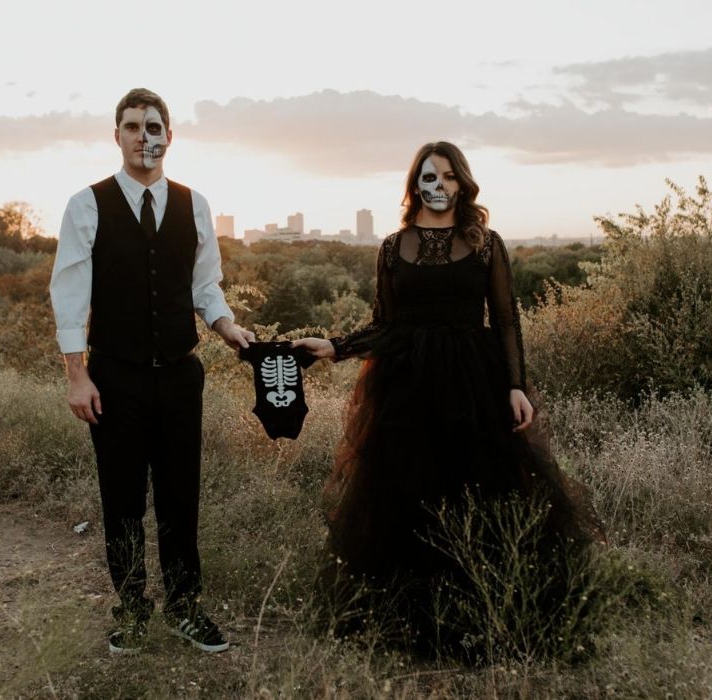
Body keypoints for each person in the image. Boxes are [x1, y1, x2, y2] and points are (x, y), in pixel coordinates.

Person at [293, 142, 603, 653]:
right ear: (414, 185)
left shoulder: (486, 243)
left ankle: (485, 614)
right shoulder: (393, 247)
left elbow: (505, 320)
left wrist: (516, 387)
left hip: (472, 386)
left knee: (478, 493)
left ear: (462, 183)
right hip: (407, 388)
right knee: (408, 495)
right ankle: (410, 620)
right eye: (427, 178)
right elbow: (386, 325)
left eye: (447, 177)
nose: (437, 187)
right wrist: (335, 346)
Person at [50, 88, 253, 655]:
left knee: (179, 497)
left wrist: (227, 327)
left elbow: (205, 286)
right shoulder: (86, 204)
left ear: (171, 135)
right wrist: (76, 374)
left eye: (155, 126)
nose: (146, 136)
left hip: (180, 377)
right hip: (114, 377)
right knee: (121, 501)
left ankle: (186, 608)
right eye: (134, 126)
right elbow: (68, 295)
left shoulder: (196, 204)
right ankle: (133, 609)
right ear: (116, 136)